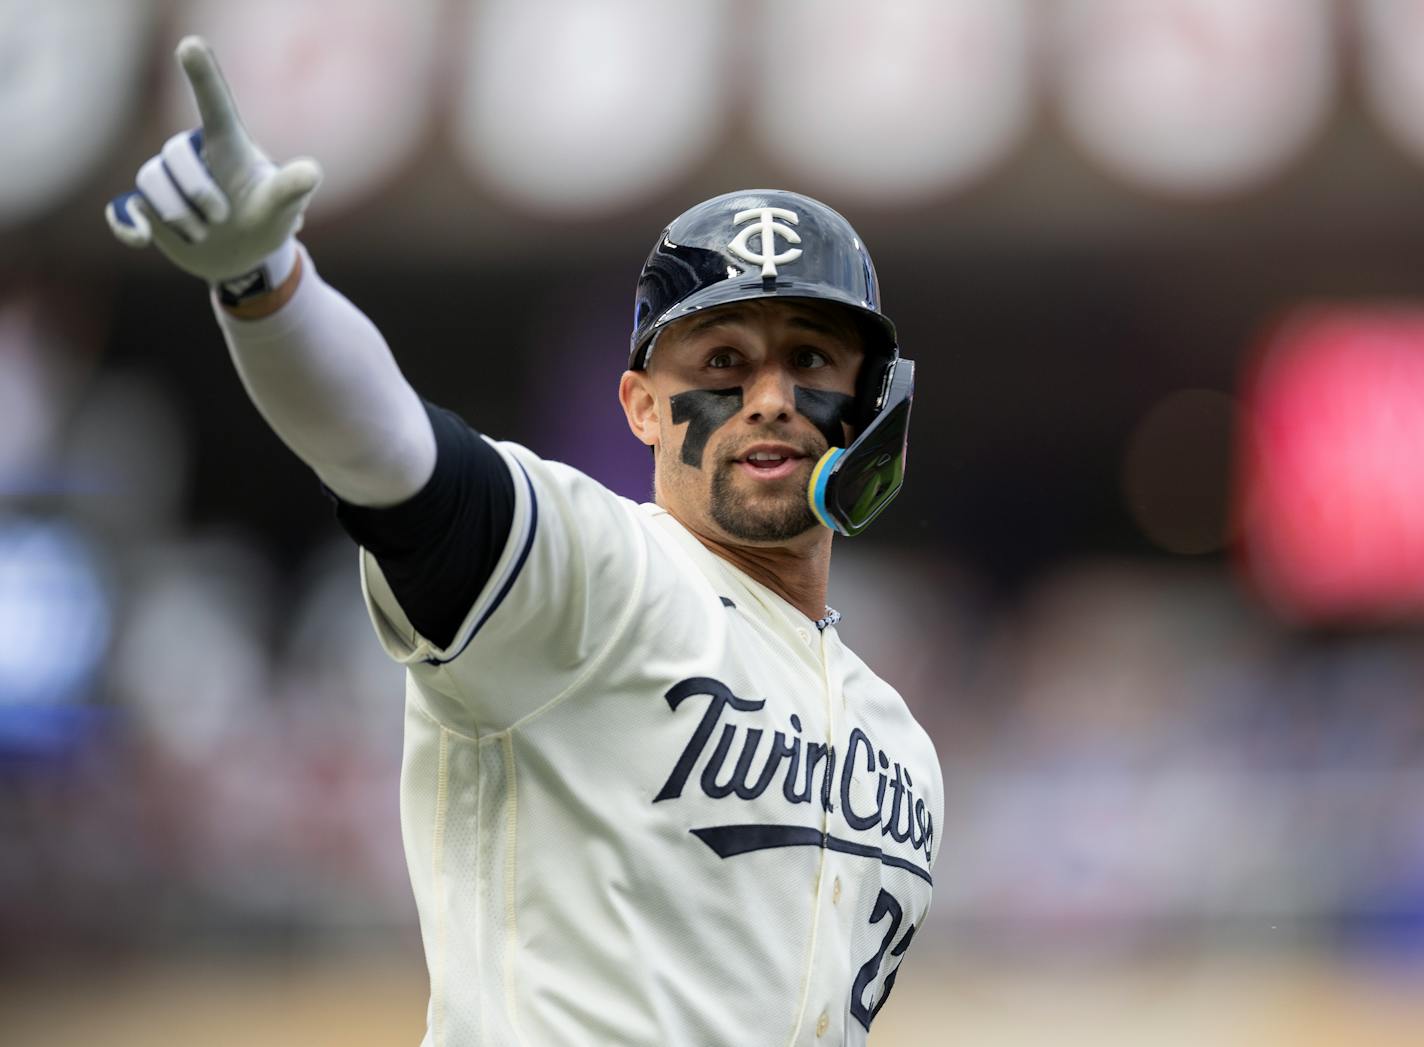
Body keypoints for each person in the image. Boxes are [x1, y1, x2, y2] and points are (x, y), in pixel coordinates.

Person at [106, 36, 942, 1047]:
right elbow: (388, 452)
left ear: (866, 409)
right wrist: (266, 284)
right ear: (639, 405)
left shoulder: (900, 747)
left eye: (809, 358)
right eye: (721, 361)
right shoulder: (590, 574)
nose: (768, 398)